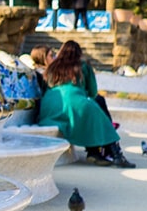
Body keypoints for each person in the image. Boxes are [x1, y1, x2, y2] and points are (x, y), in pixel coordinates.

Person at [37, 40, 135, 168]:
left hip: (49, 106)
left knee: (89, 114)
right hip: (74, 100)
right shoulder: (82, 66)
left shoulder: (52, 67)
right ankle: (116, 155)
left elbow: (45, 87)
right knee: (99, 116)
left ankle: (94, 153)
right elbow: (93, 92)